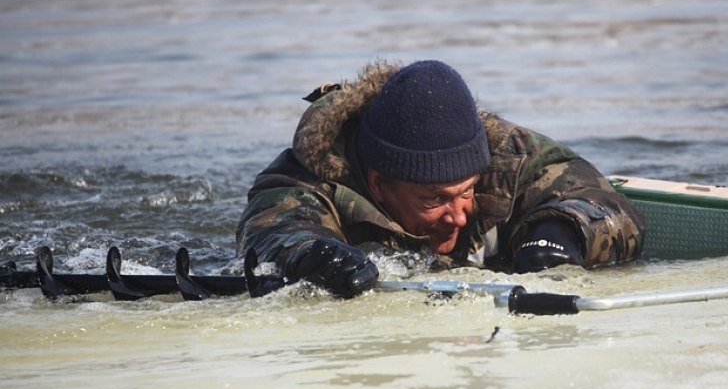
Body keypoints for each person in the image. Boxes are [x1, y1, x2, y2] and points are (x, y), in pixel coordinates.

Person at [237, 59, 645, 298]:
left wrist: (565, 232)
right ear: (379, 185)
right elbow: (274, 231)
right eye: (435, 200)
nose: (460, 216)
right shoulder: (310, 179)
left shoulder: (508, 155)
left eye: (467, 191)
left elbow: (602, 202)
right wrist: (313, 255)